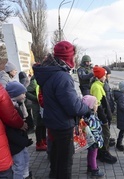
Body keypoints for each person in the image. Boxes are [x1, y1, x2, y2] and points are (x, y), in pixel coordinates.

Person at [33, 41, 90, 179]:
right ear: (68, 57)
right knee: (65, 163)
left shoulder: (49, 72)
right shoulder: (63, 77)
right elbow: (73, 107)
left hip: (53, 122)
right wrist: (87, 108)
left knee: (55, 158)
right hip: (63, 126)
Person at [5, 81, 33, 179]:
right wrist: (23, 141)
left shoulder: (16, 105)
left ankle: (26, 176)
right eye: (23, 93)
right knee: (19, 165)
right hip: (16, 144)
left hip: (19, 142)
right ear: (14, 94)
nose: (25, 96)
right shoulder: (10, 109)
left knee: (25, 160)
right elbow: (10, 131)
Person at [90, 65, 117, 164]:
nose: (105, 77)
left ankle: (101, 153)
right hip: (102, 116)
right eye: (104, 75)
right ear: (100, 76)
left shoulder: (99, 85)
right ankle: (104, 154)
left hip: (104, 115)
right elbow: (98, 104)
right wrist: (104, 118)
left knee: (105, 135)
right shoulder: (97, 87)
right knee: (105, 135)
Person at [0, 83, 28, 178]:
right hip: (13, 143)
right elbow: (10, 116)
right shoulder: (12, 106)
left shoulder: (18, 104)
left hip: (14, 142)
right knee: (17, 165)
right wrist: (21, 124)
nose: (25, 95)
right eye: (23, 93)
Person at [82, 95, 104, 178]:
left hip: (89, 139)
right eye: (95, 103)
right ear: (90, 106)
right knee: (94, 154)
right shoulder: (91, 117)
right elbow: (94, 130)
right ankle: (94, 170)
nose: (97, 105)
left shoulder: (86, 115)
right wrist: (98, 140)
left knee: (90, 153)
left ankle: (89, 167)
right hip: (94, 140)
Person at [26, 76, 47, 151]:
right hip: (37, 107)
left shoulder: (43, 78)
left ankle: (44, 140)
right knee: (38, 125)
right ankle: (39, 143)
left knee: (43, 124)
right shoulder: (34, 81)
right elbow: (27, 92)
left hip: (43, 106)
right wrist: (37, 99)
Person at [102, 66, 116, 147]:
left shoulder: (106, 83)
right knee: (106, 126)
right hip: (106, 110)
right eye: (109, 74)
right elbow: (106, 99)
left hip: (108, 109)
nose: (110, 76)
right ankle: (105, 142)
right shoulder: (104, 84)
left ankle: (107, 138)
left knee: (108, 126)